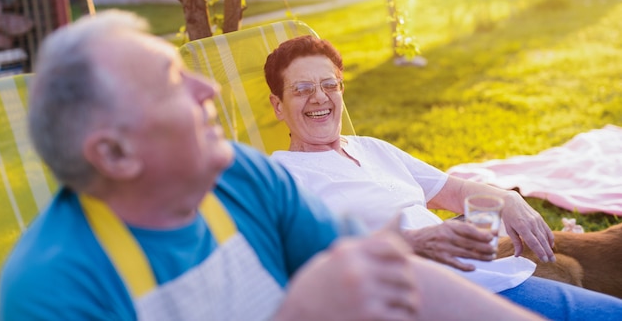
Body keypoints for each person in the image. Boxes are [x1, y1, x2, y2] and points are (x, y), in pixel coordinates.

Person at [0, 11, 544, 321]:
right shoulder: (53, 292)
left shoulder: (240, 177)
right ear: (115, 154)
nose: (206, 86)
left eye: (329, 86)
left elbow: (385, 273)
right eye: (170, 83)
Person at [264, 34, 622, 320]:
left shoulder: (371, 148)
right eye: (301, 89)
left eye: (330, 84)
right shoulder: (281, 176)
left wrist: (508, 199)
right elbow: (313, 255)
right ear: (278, 105)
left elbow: (457, 191)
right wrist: (416, 242)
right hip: (426, 294)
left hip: (480, 271)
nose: (319, 97)